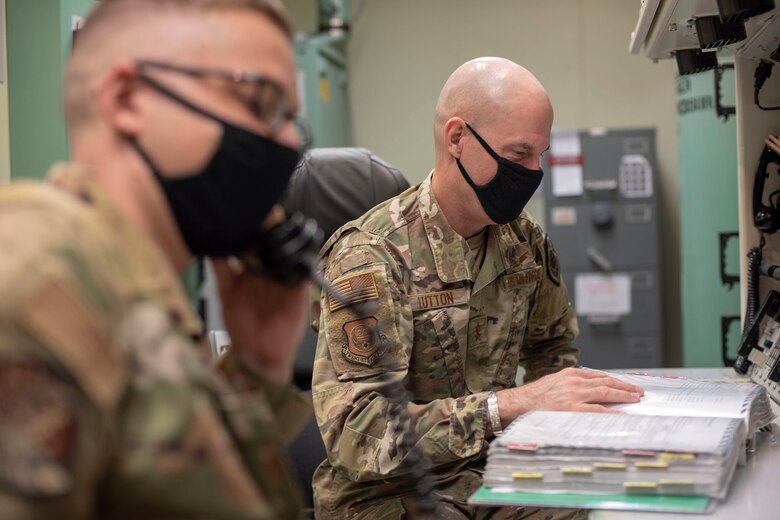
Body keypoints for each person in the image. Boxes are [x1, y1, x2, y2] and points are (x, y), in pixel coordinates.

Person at [0, 0, 312, 518]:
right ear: (126, 98)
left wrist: (256, 372)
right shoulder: (41, 274)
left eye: (289, 117)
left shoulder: (132, 287)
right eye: (260, 102)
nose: (288, 140)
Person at [311, 57, 645, 519]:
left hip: (492, 474)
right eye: (517, 155)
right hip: (389, 495)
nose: (533, 172)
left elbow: (553, 351)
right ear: (457, 139)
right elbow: (357, 435)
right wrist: (503, 407)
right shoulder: (371, 256)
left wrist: (566, 421)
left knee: (609, 508)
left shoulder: (523, 242)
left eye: (540, 156)